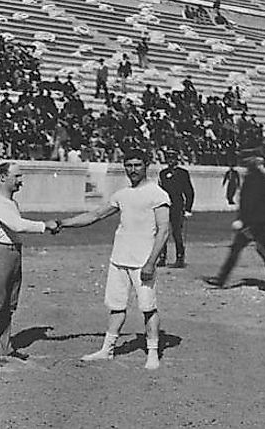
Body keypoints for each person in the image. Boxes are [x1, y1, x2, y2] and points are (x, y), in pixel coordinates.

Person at [57, 149, 170, 370]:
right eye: (129, 165)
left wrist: (150, 262)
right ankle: (107, 350)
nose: (133, 170)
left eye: (138, 165)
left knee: (148, 307)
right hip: (119, 258)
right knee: (116, 307)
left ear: (146, 165)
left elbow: (164, 230)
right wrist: (63, 223)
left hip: (142, 261)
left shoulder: (157, 194)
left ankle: (153, 353)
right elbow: (95, 215)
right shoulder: (122, 195)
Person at [0, 162, 59, 361]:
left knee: (9, 305)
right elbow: (16, 225)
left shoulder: (11, 203)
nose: (21, 181)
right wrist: (45, 225)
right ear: (3, 177)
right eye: (17, 176)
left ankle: (5, 347)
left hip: (14, 253)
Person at [206, 155, 265, 292]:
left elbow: (248, 202)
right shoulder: (262, 178)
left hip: (252, 222)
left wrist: (243, 220)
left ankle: (222, 279)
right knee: (257, 249)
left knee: (253, 249)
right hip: (258, 221)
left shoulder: (254, 178)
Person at [157, 151, 194, 268]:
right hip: (165, 204)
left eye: (172, 159)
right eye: (168, 159)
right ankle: (162, 257)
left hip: (177, 205)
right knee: (162, 231)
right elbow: (160, 190)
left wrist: (188, 208)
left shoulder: (183, 173)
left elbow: (189, 191)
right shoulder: (163, 173)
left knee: (177, 232)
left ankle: (180, 257)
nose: (170, 161)